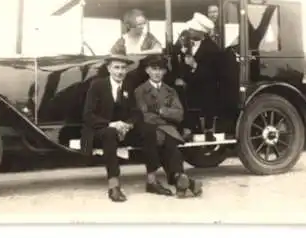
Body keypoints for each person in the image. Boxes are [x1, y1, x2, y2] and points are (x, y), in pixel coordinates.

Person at [81, 54, 175, 202]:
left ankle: (152, 181)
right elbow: (88, 115)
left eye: (123, 68)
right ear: (108, 69)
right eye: (116, 67)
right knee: (110, 134)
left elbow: (136, 113)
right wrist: (111, 124)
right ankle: (114, 186)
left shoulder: (129, 86)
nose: (120, 72)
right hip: (101, 130)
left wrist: (128, 124)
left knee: (148, 131)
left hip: (124, 129)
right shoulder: (97, 86)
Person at [134, 54, 203, 198]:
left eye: (161, 69)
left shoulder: (170, 91)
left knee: (172, 147)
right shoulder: (140, 91)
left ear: (165, 72)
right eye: (154, 69)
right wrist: (166, 116)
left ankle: (180, 181)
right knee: (169, 145)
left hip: (168, 130)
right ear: (147, 70)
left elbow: (179, 114)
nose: (157, 73)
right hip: (151, 130)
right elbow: (144, 115)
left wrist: (161, 111)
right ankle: (182, 181)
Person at [172, 12, 223, 142]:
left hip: (203, 84)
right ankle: (182, 127)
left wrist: (195, 65)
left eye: (192, 29)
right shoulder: (183, 40)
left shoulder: (212, 49)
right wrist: (179, 75)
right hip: (185, 81)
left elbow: (213, 74)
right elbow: (174, 57)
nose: (188, 30)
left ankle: (206, 129)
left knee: (208, 89)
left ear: (201, 32)